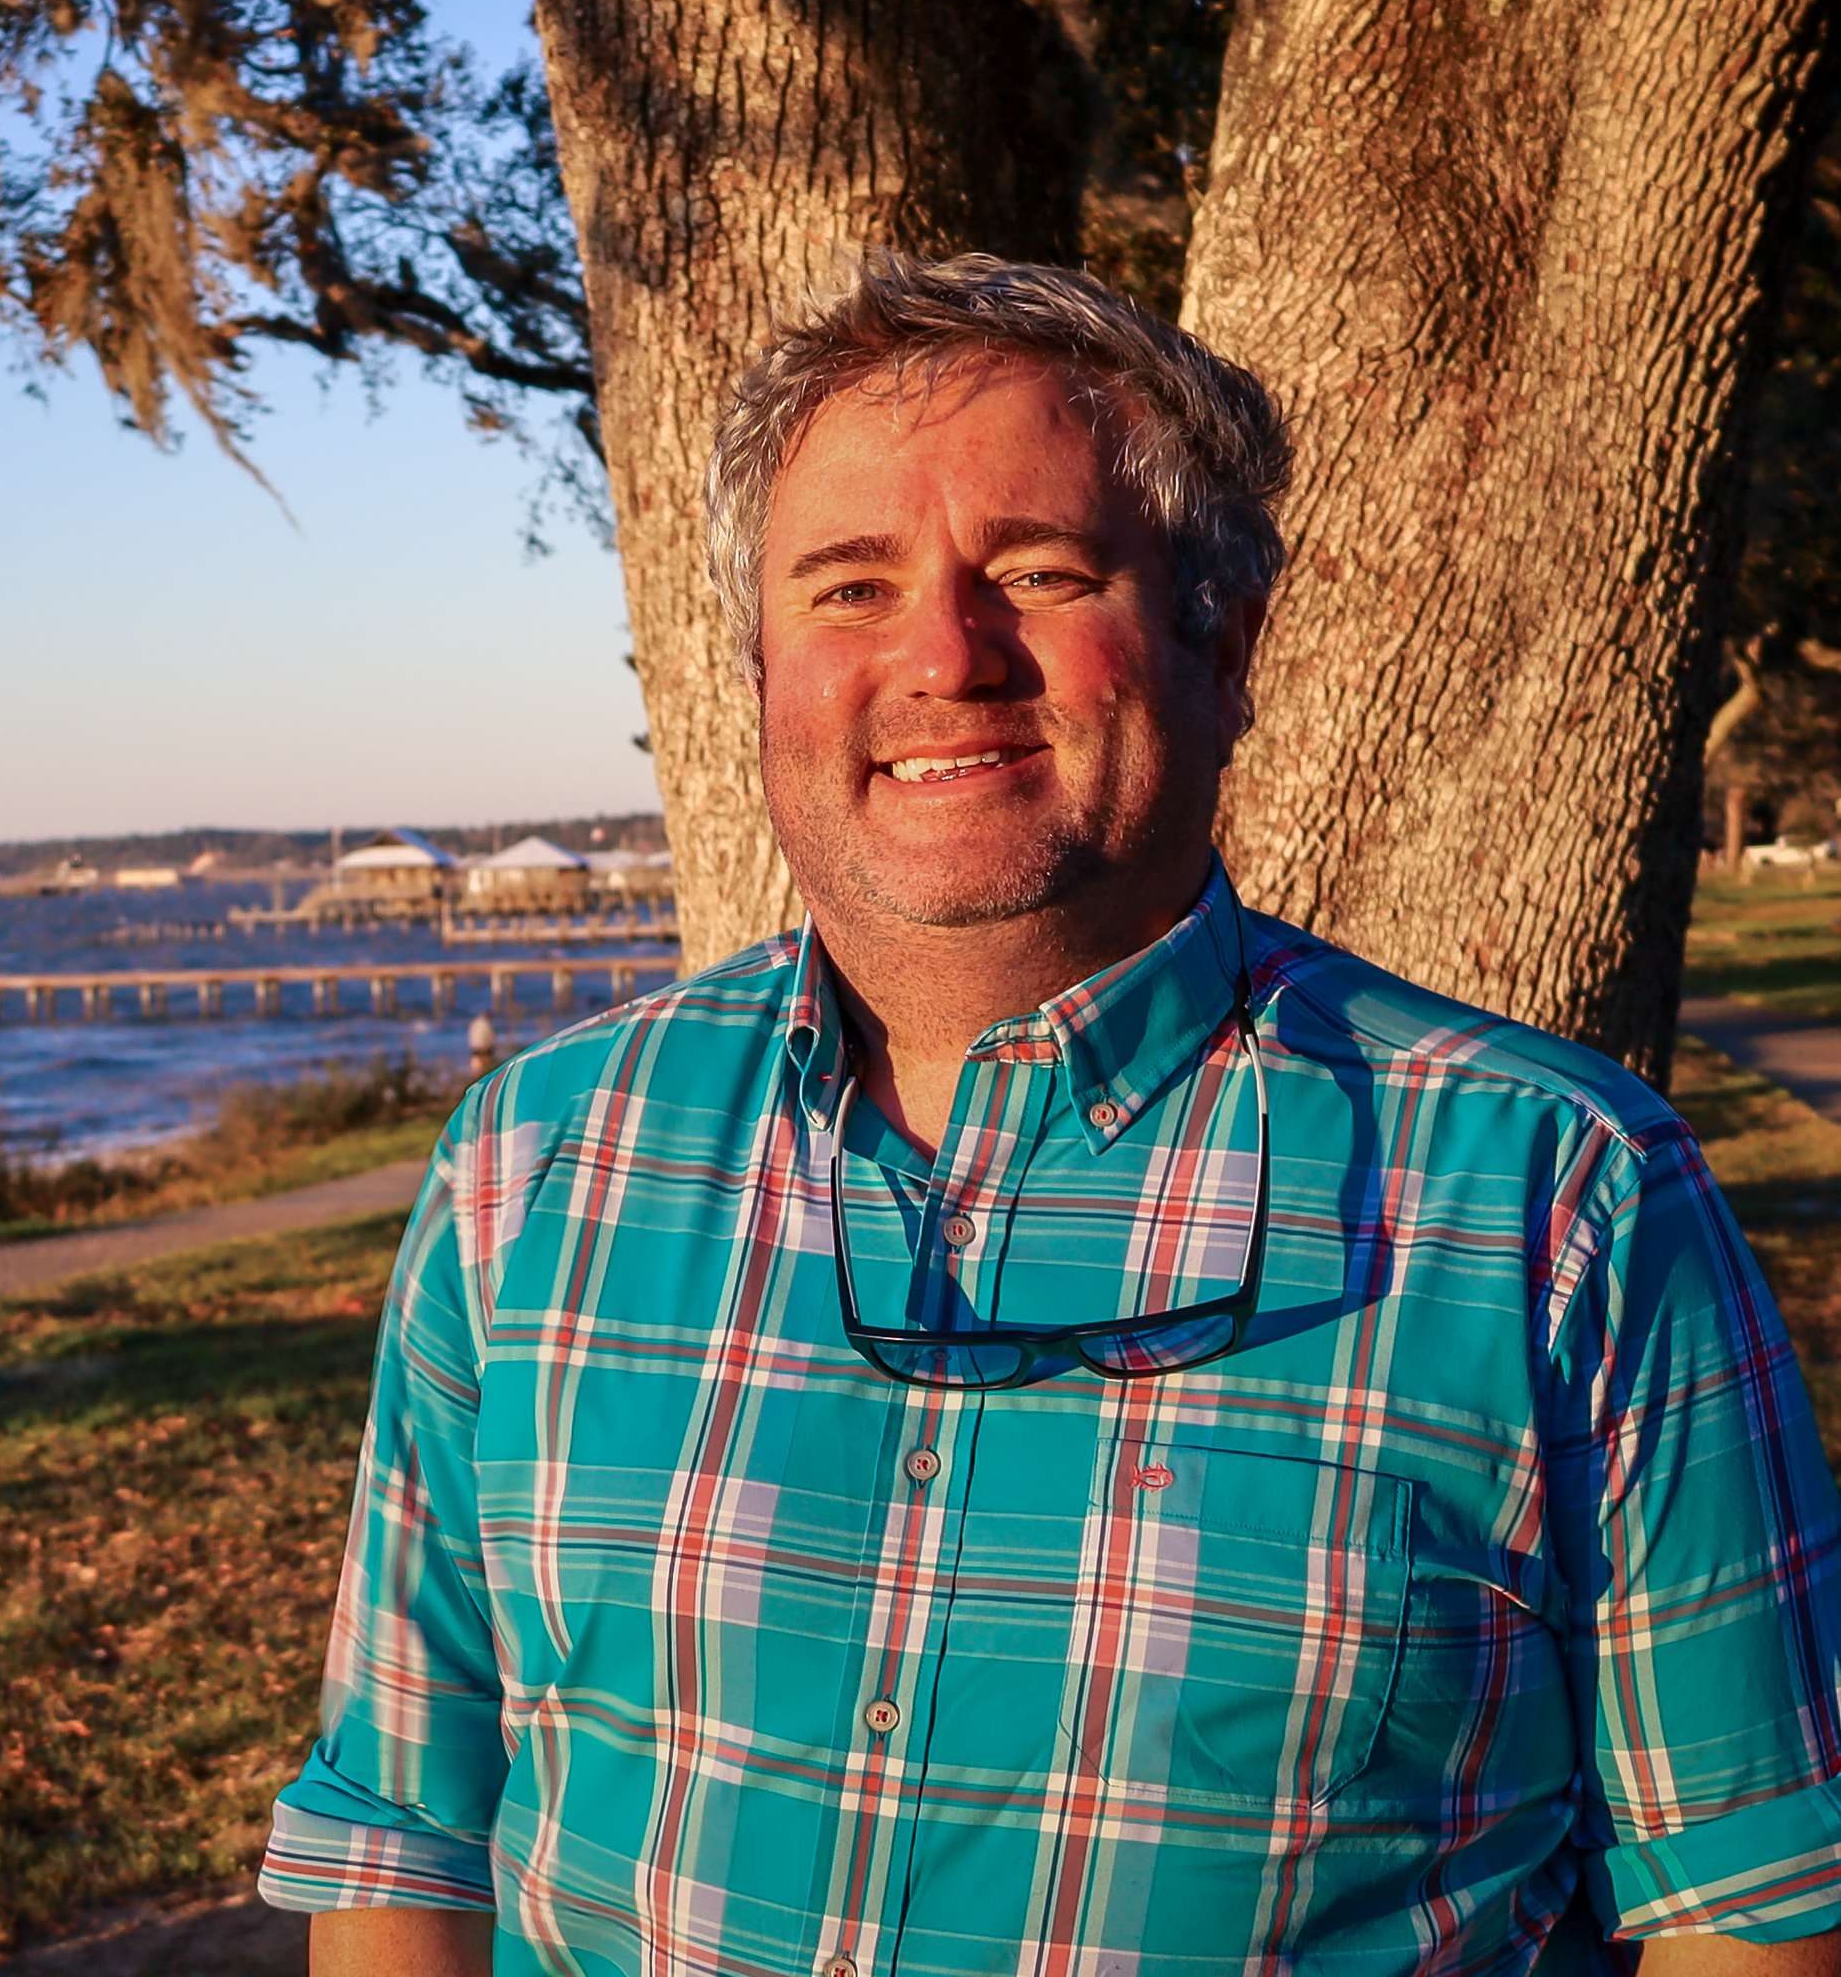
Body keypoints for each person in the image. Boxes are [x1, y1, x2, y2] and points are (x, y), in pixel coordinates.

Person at [258, 253, 1841, 1974]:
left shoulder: (1560, 1197)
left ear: (1223, 642)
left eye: (1039, 571)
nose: (945, 656)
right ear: (757, 671)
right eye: (850, 588)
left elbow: (1749, 1905)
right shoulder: (532, 1163)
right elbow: (403, 1836)